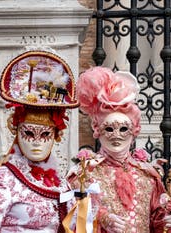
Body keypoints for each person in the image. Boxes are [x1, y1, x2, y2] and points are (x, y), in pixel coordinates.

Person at [0, 50, 79, 232]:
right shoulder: (3, 179)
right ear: (16, 131)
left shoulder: (60, 184)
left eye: (45, 134)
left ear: (56, 135)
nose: (37, 142)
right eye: (29, 134)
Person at [67, 66, 171, 233]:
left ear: (134, 131)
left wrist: (166, 223)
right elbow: (70, 215)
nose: (116, 135)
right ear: (97, 129)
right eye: (109, 129)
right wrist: (101, 218)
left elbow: (158, 220)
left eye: (123, 129)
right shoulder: (83, 174)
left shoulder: (148, 176)